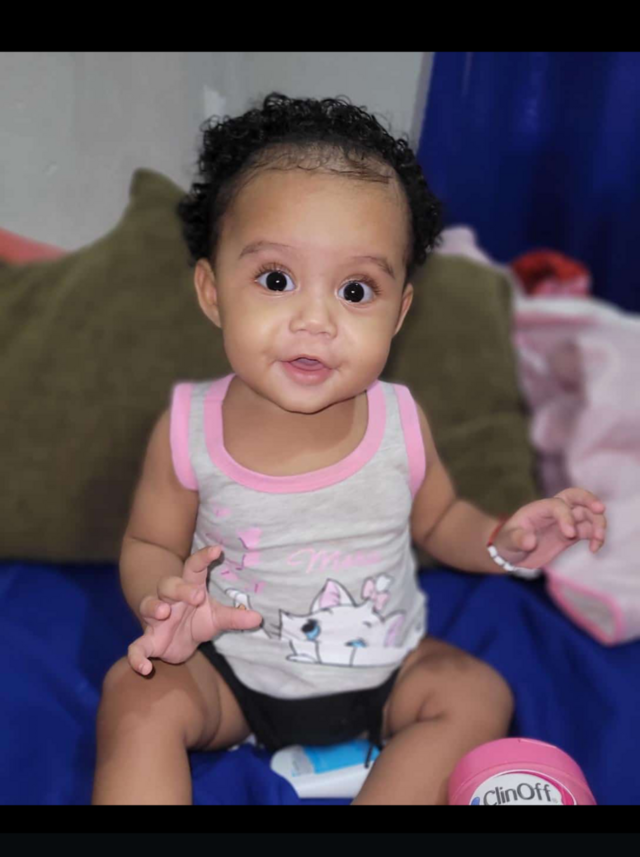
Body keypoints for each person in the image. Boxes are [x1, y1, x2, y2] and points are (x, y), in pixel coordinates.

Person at [91, 93, 607, 805]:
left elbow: (440, 520)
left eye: (356, 290)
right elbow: (151, 541)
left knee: (477, 693)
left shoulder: (399, 420)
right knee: (133, 691)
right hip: (232, 673)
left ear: (399, 312)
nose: (316, 320)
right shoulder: (187, 428)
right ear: (212, 292)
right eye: (276, 280)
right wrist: (163, 597)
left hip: (385, 669)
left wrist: (504, 541)